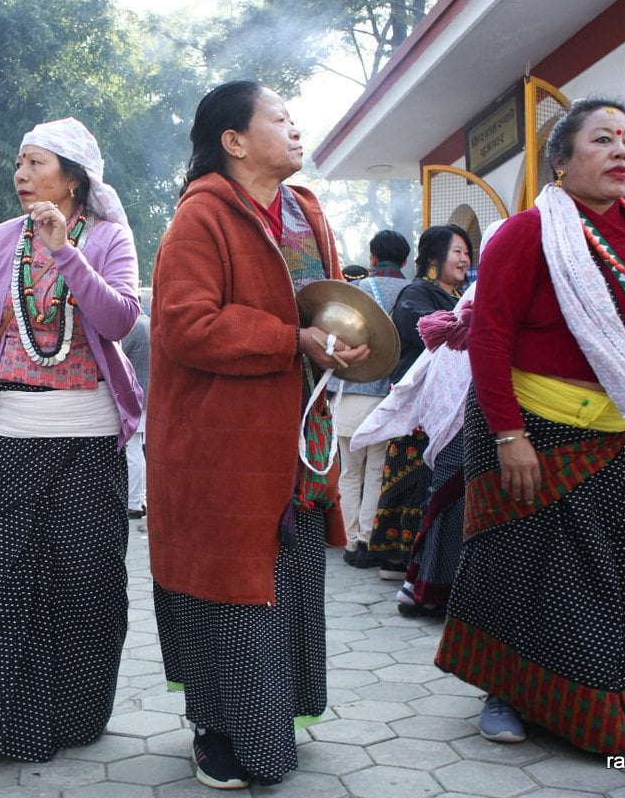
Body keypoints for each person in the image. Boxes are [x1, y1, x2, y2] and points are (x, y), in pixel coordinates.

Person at [434, 98, 625, 753]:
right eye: (602, 139)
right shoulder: (526, 232)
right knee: (518, 567)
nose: (622, 151)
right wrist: (508, 436)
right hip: (527, 428)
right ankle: (507, 693)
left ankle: (591, 698)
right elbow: (490, 338)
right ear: (562, 160)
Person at [147, 80, 367, 789]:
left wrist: (338, 342)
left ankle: (278, 717)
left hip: (298, 438)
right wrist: (290, 340)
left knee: (289, 579)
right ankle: (218, 727)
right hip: (221, 446)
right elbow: (183, 326)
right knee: (228, 587)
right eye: (279, 118)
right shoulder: (200, 219)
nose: (296, 129)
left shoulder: (305, 211)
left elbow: (327, 306)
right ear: (234, 141)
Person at [0, 117, 141, 762]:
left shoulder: (109, 238)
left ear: (71, 176)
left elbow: (118, 317)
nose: (21, 175)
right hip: (10, 431)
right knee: (1, 579)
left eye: (34, 163)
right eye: (18, 163)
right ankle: (2, 722)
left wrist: (66, 252)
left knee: (83, 577)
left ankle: (76, 717)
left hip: (87, 435)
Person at [369, 225, 470, 579]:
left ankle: (423, 556)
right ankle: (399, 557)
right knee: (412, 479)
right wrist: (459, 323)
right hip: (420, 409)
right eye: (457, 251)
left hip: (449, 406)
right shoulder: (418, 293)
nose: (464, 259)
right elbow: (419, 326)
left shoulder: (460, 297)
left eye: (467, 252)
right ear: (433, 258)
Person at [335, 236, 409, 570]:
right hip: (387, 398)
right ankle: (368, 539)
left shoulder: (356, 290)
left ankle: (351, 544)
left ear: (372, 256)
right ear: (405, 261)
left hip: (349, 392)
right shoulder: (412, 292)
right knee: (376, 472)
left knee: (350, 473)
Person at [121, 311, 150, 519]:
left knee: (132, 450)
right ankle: (138, 498)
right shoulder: (147, 323)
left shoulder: (133, 326)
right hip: (147, 394)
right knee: (137, 448)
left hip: (135, 395)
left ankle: (134, 501)